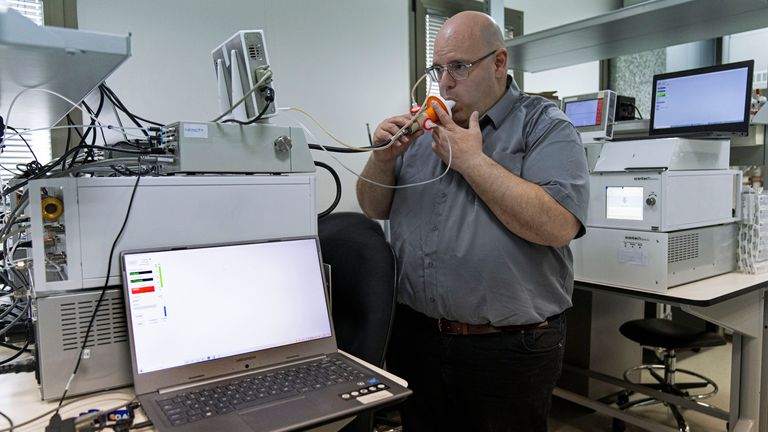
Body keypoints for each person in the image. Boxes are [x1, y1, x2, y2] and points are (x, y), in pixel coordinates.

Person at [356, 10, 589, 432]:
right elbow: (374, 207)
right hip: (419, 338)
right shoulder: (423, 129)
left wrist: (471, 163)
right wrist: (382, 159)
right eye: (438, 69)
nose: (444, 82)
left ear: (499, 62)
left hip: (508, 347)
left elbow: (558, 225)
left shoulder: (544, 126)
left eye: (459, 67)